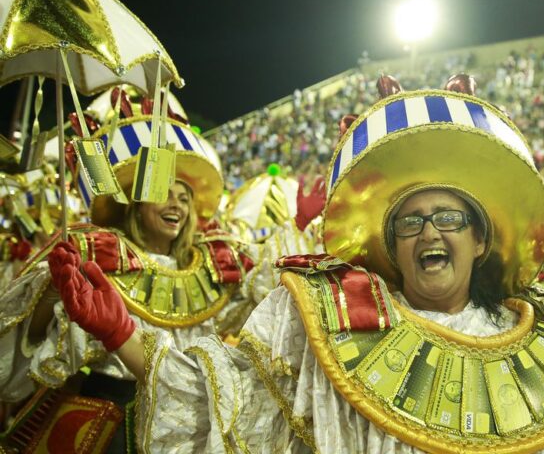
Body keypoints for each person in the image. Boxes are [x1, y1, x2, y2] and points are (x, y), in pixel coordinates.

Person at [46, 76, 544, 452]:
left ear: (481, 240)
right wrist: (122, 334)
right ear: (388, 247)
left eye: (449, 217)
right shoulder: (318, 318)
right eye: (410, 222)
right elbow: (223, 397)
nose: (429, 231)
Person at [0, 88, 324, 452]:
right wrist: (51, 293)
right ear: (137, 204)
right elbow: (30, 348)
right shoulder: (100, 256)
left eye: (185, 198)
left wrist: (299, 224)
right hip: (106, 423)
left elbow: (270, 287)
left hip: (188, 425)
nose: (177, 205)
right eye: (165, 193)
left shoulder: (212, 265)